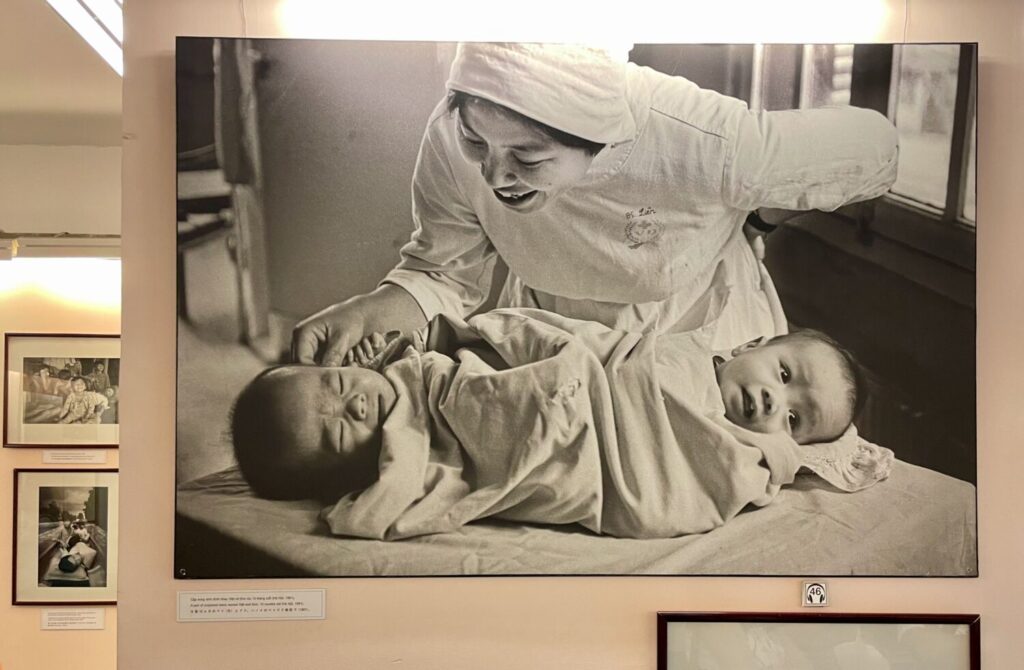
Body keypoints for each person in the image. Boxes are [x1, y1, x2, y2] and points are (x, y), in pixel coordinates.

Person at [291, 42, 898, 368]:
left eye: (528, 158)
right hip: (550, 340)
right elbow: (442, 273)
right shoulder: (454, 135)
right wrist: (366, 311)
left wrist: (760, 208)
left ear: (599, 141)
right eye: (479, 142)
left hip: (698, 347)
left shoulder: (704, 140)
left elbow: (876, 147)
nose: (495, 174)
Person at [236, 310, 889, 541]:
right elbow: (556, 345)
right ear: (750, 345)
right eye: (782, 373)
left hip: (615, 431)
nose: (776, 403)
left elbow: (670, 489)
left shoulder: (750, 451)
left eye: (797, 417)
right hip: (571, 395)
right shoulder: (674, 349)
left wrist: (764, 456)